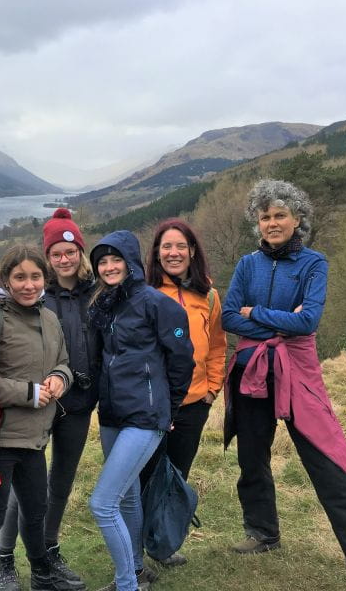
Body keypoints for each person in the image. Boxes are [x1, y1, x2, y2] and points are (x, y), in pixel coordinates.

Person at [221, 180, 346, 591]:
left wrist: (257, 313)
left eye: (280, 215)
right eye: (265, 217)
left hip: (297, 371)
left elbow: (309, 322)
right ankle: (263, 533)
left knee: (325, 461)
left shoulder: (314, 264)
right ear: (257, 224)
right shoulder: (248, 265)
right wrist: (279, 321)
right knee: (251, 458)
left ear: (298, 219)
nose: (272, 223)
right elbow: (229, 317)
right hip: (251, 370)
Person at [0, 209, 96, 591]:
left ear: (80, 252)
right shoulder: (35, 295)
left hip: (79, 401)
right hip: (32, 406)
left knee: (61, 483)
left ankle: (47, 552)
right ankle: (4, 557)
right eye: (56, 253)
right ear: (47, 258)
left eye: (70, 251)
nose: (64, 259)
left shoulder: (96, 292)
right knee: (23, 487)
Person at [0, 245, 77, 591]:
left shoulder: (49, 318)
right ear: (7, 280)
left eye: (35, 277)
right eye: (20, 277)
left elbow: (63, 361)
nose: (29, 285)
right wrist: (27, 393)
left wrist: (61, 378)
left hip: (35, 436)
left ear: (45, 279)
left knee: (36, 509)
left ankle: (42, 575)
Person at [87, 231, 195, 591]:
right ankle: (134, 570)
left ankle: (126, 585)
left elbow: (182, 360)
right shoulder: (104, 304)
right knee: (127, 495)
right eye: (101, 261)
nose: (108, 266)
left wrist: (169, 410)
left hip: (145, 418)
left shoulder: (156, 303)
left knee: (103, 503)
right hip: (112, 416)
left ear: (131, 260)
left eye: (115, 259)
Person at [138, 218, 227, 567]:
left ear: (192, 252)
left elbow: (218, 345)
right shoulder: (144, 293)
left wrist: (212, 390)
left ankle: (163, 545)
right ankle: (137, 550)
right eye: (166, 247)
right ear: (156, 253)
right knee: (145, 477)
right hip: (153, 406)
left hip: (193, 405)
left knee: (175, 478)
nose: (173, 253)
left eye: (180, 246)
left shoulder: (208, 295)